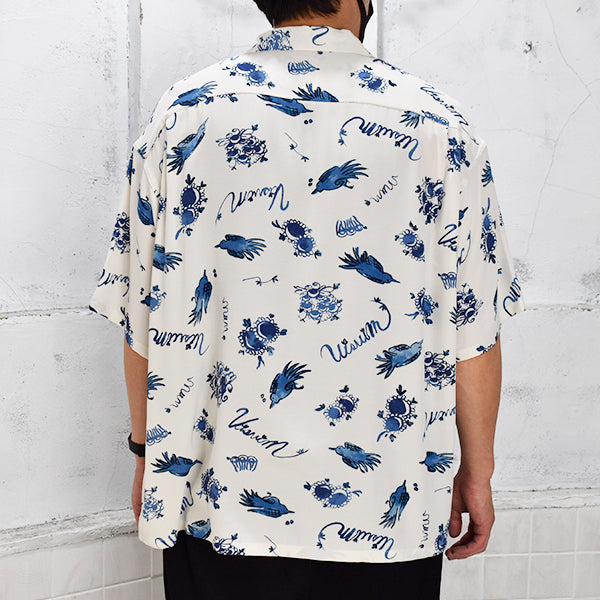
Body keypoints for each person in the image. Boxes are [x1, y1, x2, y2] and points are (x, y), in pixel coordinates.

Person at [89, 1, 525, 598]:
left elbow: (141, 319)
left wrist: (147, 454)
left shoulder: (183, 117)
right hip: (387, 514)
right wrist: (478, 473)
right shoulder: (440, 129)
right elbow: (475, 336)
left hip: (219, 507)